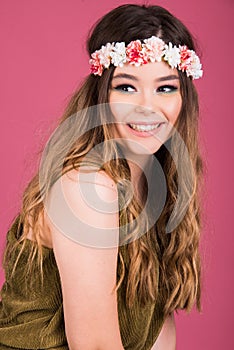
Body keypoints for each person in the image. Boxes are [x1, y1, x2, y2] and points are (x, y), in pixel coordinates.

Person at [0, 3, 204, 350]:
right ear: (101, 95)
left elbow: (157, 329)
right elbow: (95, 346)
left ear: (184, 99)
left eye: (165, 88)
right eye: (126, 87)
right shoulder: (88, 186)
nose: (147, 106)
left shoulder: (156, 188)